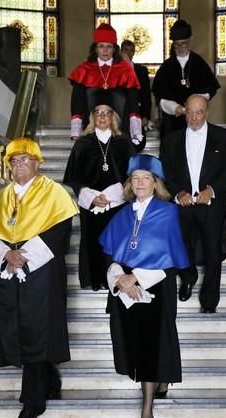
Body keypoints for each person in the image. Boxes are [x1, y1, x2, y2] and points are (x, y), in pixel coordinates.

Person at [0, 138, 79, 418]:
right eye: (14, 161)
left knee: (38, 330)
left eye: (25, 160)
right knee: (18, 328)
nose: (19, 165)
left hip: (41, 271)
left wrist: (23, 257)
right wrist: (5, 255)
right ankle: (48, 378)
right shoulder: (2, 198)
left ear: (37, 162)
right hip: (9, 271)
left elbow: (60, 232)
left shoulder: (54, 194)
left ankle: (33, 402)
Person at [99, 154, 189, 418]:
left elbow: (172, 257)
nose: (140, 183)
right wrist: (121, 280)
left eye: (146, 178)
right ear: (129, 183)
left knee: (152, 349)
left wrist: (136, 276)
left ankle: (147, 413)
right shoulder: (121, 214)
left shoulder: (169, 212)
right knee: (135, 347)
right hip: (126, 291)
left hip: (156, 287)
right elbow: (108, 256)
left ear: (155, 182)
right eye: (135, 178)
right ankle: (157, 383)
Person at [160, 94, 226, 313]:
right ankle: (187, 279)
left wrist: (211, 191)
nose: (194, 117)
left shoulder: (224, 137)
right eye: (190, 112)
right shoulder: (171, 140)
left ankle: (210, 300)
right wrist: (178, 193)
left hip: (212, 204)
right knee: (183, 247)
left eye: (199, 112)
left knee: (213, 251)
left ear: (207, 112)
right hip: (183, 204)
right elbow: (166, 172)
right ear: (184, 111)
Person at [63, 98, 135, 290]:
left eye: (107, 112)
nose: (103, 116)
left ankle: (116, 279)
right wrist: (90, 196)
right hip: (91, 202)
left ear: (114, 116)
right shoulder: (83, 143)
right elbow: (74, 177)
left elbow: (133, 174)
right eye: (98, 112)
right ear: (93, 117)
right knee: (92, 240)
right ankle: (94, 279)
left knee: (117, 241)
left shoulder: (123, 142)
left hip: (118, 202)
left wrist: (114, 193)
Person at [68, 23, 143, 146]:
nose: (105, 50)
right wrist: (76, 127)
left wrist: (135, 127)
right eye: (101, 46)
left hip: (120, 127)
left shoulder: (125, 68)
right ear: (95, 48)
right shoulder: (84, 69)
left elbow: (132, 99)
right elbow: (77, 100)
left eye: (109, 46)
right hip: (91, 125)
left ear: (114, 49)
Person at [152, 19, 220, 143]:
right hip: (172, 121)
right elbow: (160, 95)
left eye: (184, 44)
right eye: (177, 44)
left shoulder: (199, 63)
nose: (181, 47)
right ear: (173, 45)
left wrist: (193, 106)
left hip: (196, 118)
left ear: (189, 43)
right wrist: (175, 108)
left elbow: (209, 88)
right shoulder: (166, 67)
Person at [120, 39, 152, 153]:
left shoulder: (141, 70)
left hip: (137, 113)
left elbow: (146, 95)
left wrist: (146, 116)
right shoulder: (115, 69)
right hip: (120, 114)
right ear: (120, 51)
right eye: (125, 50)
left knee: (138, 144)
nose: (128, 53)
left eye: (131, 50)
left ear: (134, 52)